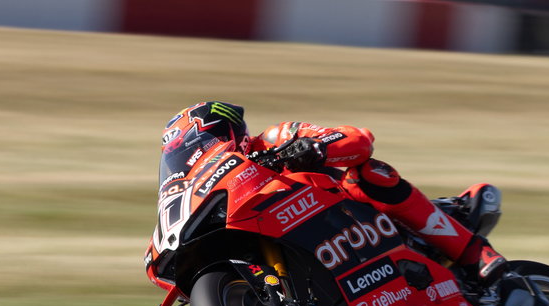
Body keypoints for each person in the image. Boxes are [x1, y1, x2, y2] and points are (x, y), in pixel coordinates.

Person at [163, 101, 505, 283]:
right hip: (311, 247)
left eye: (204, 143)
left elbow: (359, 138)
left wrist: (315, 148)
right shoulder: (209, 186)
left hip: (353, 218)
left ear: (226, 131)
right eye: (184, 155)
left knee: (372, 173)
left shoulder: (274, 137)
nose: (197, 156)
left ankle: (474, 253)